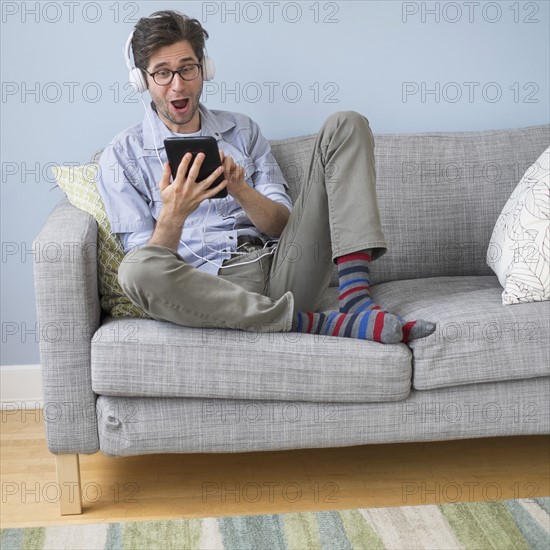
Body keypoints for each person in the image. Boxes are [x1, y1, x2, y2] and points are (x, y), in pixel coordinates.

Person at [96, 9, 435, 344]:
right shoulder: (122, 156)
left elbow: (282, 225)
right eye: (162, 73)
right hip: (210, 292)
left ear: (205, 69)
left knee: (346, 123)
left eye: (187, 69)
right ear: (141, 80)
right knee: (136, 271)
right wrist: (174, 213)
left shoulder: (243, 130)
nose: (178, 85)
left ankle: (357, 301)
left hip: (283, 269)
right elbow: (147, 268)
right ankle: (314, 324)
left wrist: (241, 190)